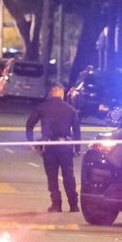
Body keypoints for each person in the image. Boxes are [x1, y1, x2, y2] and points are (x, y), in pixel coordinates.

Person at [25, 84, 82, 212]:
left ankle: (56, 204)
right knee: (69, 176)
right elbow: (77, 131)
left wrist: (32, 142)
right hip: (65, 146)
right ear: (62, 94)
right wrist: (77, 148)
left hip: (49, 147)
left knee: (52, 177)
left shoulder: (42, 107)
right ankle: (74, 205)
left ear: (51, 93)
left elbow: (29, 125)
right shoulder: (71, 109)